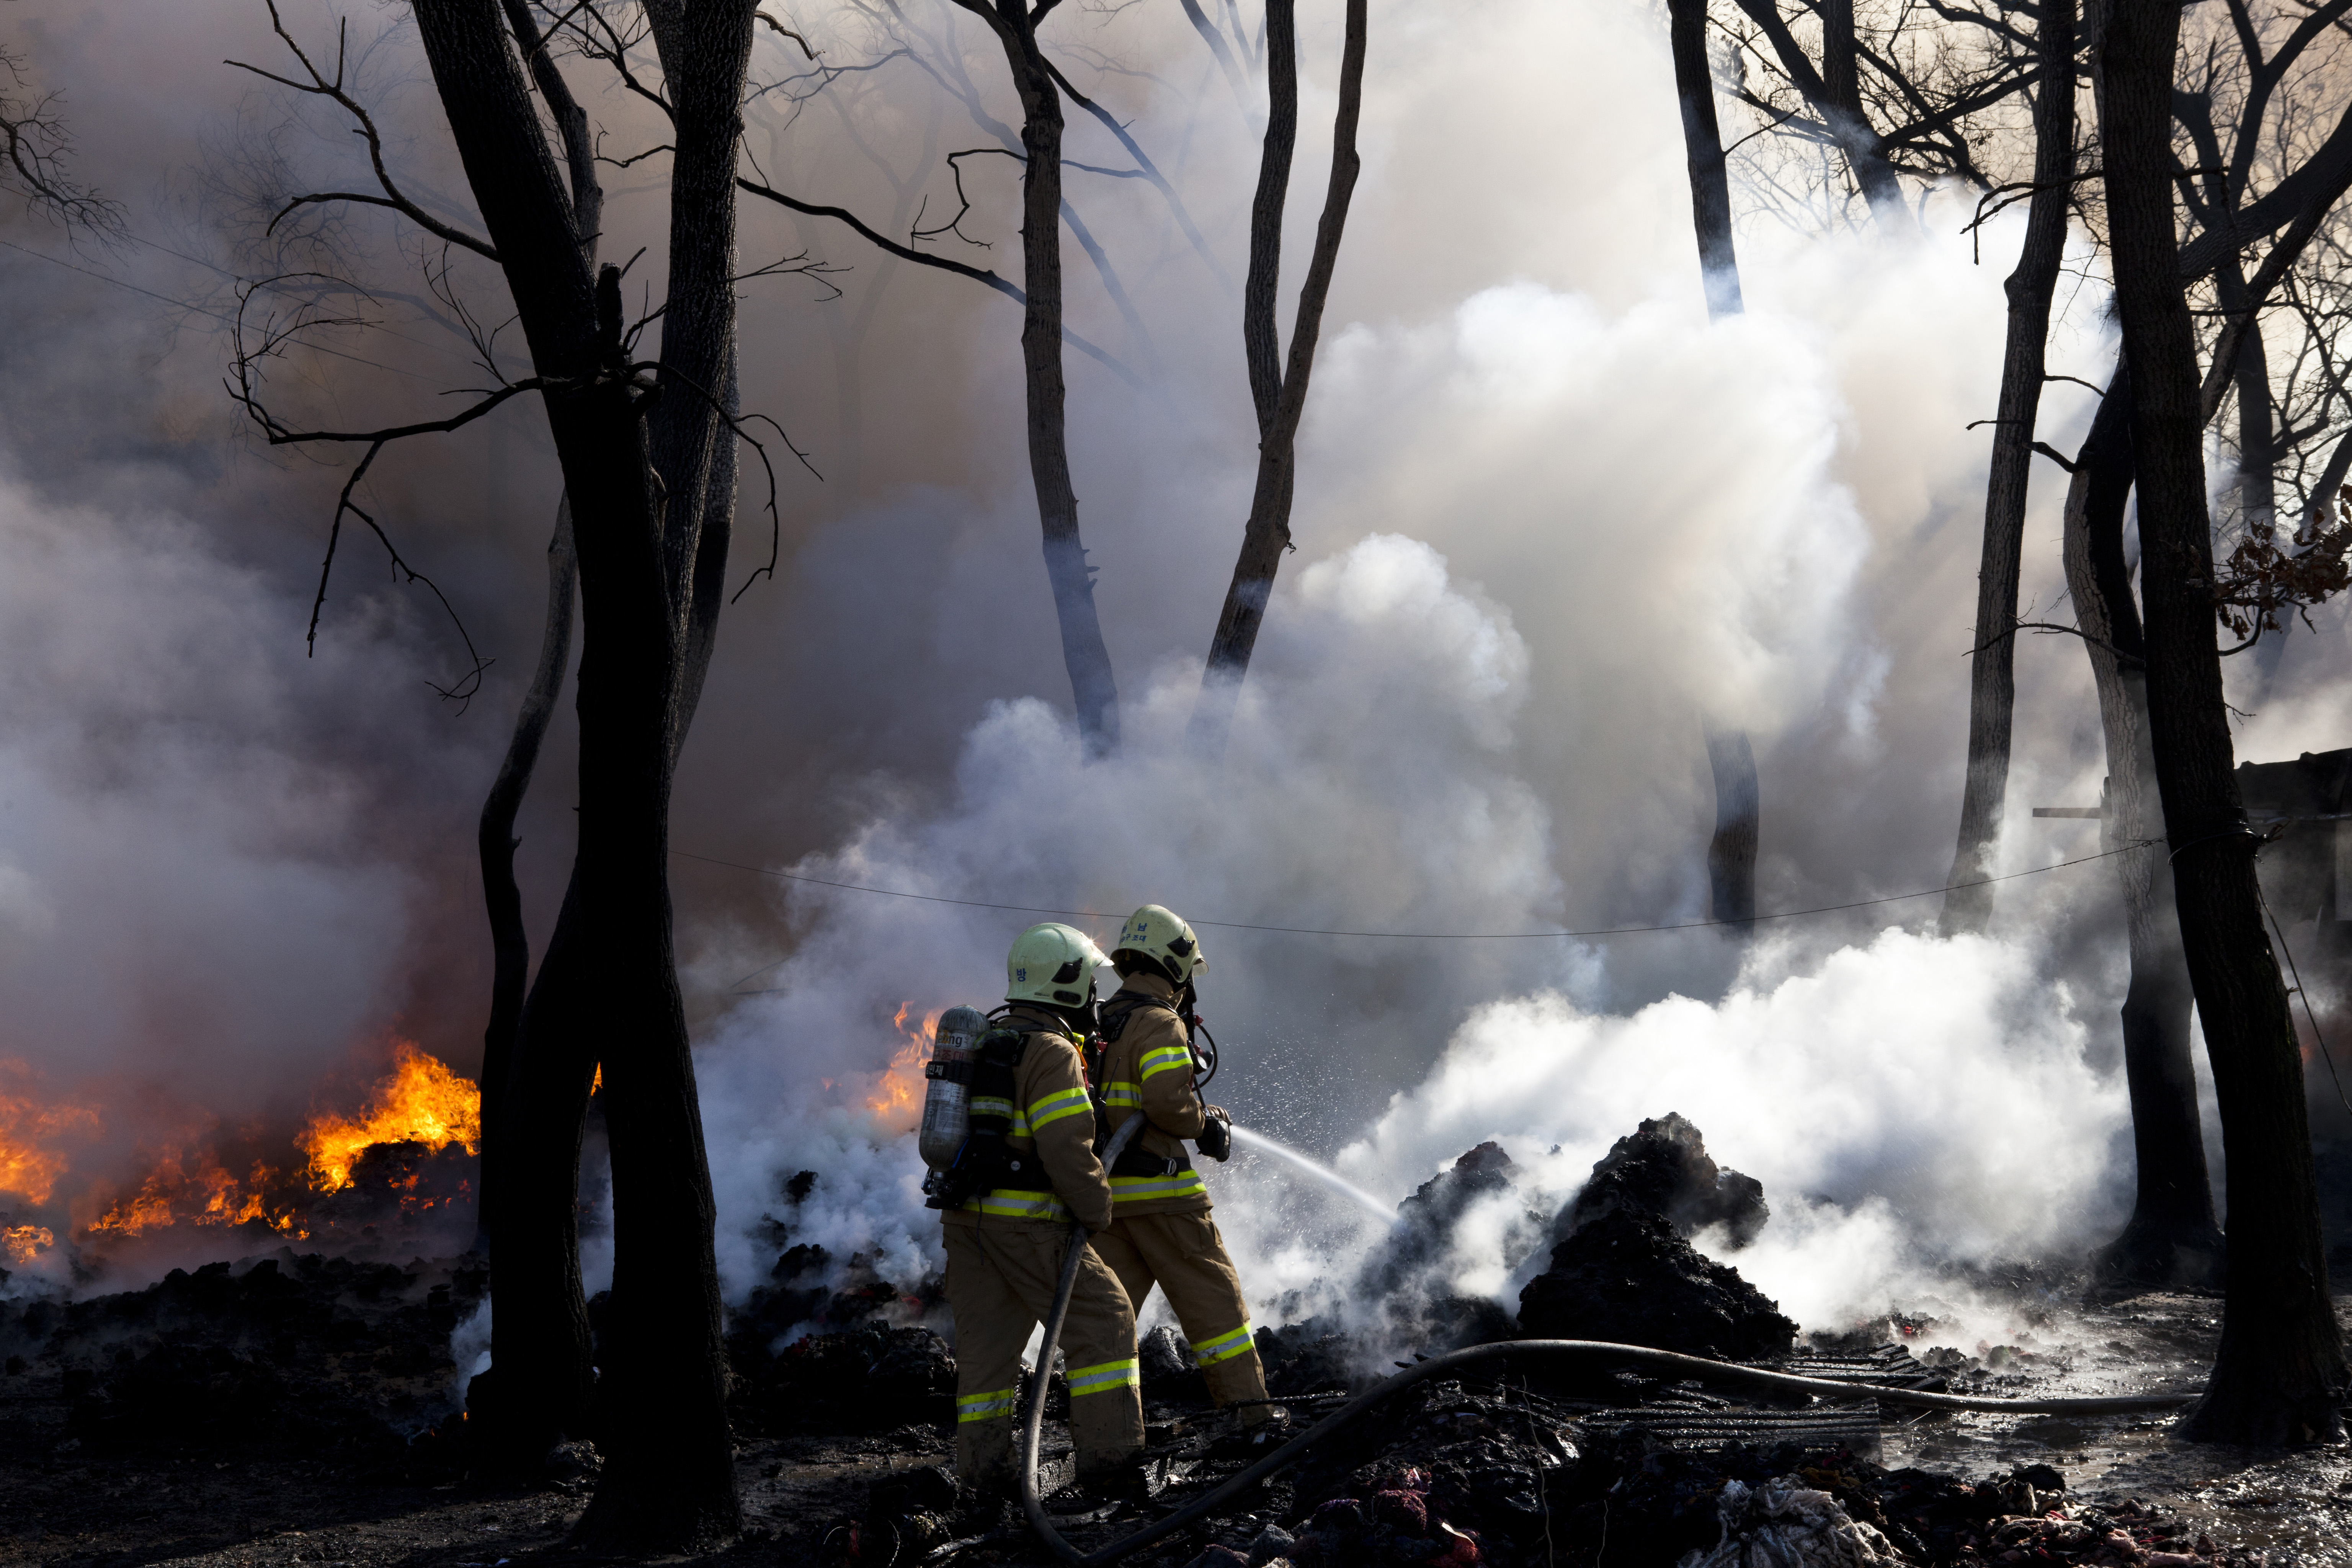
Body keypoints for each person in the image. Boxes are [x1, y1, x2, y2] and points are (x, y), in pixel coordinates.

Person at [939, 922, 1146, 1498]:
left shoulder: (988, 1039)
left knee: (987, 1358)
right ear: (1067, 984)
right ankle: (1111, 1464)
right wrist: (1098, 1209)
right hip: (1028, 1225)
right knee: (1106, 1322)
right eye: (1090, 983)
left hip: (967, 1222)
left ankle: (984, 1479)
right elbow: (1066, 1150)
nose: (1096, 996)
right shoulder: (1053, 1053)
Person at [1088, 904, 1276, 1426]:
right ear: (1173, 965)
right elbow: (1167, 1103)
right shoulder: (1159, 1022)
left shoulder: (1100, 1020)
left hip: (1109, 1202)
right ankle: (1251, 1421)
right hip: (1165, 1198)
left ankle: (1108, 1438)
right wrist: (1206, 1126)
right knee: (1218, 1311)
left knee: (1108, 1325)